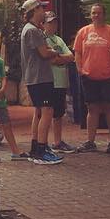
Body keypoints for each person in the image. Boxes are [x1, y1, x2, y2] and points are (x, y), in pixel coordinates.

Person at [73, 3, 110, 154]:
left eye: (99, 13)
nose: (96, 15)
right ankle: (90, 141)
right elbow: (77, 52)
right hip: (89, 76)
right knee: (92, 108)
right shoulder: (83, 32)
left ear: (104, 14)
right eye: (93, 13)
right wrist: (79, 69)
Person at [19, 0, 63, 164]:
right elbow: (44, 53)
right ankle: (42, 150)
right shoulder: (33, 31)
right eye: (41, 8)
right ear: (34, 10)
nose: (44, 11)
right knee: (47, 111)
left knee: (39, 112)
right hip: (40, 77)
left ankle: (36, 147)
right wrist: (55, 51)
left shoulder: (31, 29)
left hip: (35, 77)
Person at [0, 31, 29, 161]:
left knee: (6, 123)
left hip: (0, 98)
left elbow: (3, 77)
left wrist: (2, 90)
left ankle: (15, 151)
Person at [43, 12, 77, 152]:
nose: (53, 25)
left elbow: (71, 56)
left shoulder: (58, 39)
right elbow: (51, 60)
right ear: (43, 24)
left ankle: (57, 141)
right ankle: (42, 142)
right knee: (46, 113)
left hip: (62, 81)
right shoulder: (43, 39)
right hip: (50, 80)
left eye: (55, 22)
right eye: (50, 22)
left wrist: (59, 57)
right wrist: (60, 58)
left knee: (58, 113)